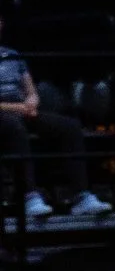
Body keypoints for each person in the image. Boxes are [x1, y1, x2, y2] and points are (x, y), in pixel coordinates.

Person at [0, 12, 105, 222]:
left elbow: (30, 90)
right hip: (5, 113)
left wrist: (31, 101)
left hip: (24, 110)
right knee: (14, 127)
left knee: (69, 127)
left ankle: (81, 196)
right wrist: (21, 108)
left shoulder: (13, 55)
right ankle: (29, 197)